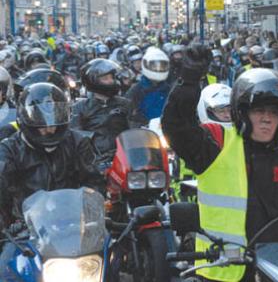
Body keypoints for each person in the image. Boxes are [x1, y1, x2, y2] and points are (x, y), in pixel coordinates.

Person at [162, 46, 278, 281]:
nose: (267, 118)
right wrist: (188, 81)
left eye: (274, 112)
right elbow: (177, 128)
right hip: (223, 271)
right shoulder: (218, 144)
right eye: (259, 110)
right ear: (242, 113)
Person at [0, 82, 104, 229]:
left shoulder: (77, 142)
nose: (50, 130)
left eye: (54, 124)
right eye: (42, 126)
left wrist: (90, 211)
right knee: (8, 252)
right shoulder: (9, 149)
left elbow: (94, 181)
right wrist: (7, 225)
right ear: (26, 120)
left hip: (74, 224)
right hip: (27, 229)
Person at [71, 59, 130, 162]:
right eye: (105, 78)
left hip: (124, 157)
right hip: (95, 161)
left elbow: (137, 129)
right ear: (92, 80)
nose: (111, 81)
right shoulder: (81, 107)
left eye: (112, 77)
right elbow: (76, 138)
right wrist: (91, 159)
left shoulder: (125, 104)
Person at [126, 47, 171, 127]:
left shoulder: (169, 89)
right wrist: (140, 125)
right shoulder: (136, 90)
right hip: (145, 133)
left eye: (162, 66)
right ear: (145, 64)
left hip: (167, 130)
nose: (158, 69)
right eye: (154, 66)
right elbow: (127, 114)